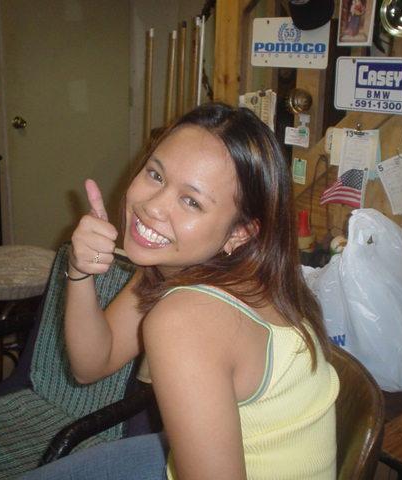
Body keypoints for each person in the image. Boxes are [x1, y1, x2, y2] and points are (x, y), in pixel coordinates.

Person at [22, 103, 339, 479]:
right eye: (156, 175)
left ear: (240, 233)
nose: (151, 207)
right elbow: (92, 364)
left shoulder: (186, 319)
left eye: (191, 201)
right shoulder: (195, 268)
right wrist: (79, 272)